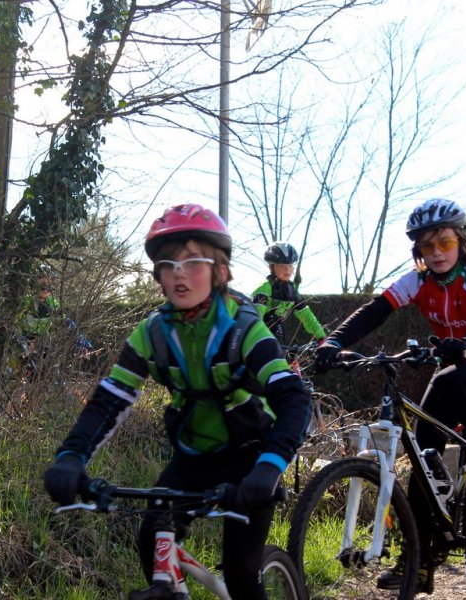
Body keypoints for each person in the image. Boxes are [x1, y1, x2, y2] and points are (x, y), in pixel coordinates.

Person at [44, 204, 311, 600]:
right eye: (168, 264)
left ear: (220, 270)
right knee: (152, 542)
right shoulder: (151, 334)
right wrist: (71, 457)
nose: (179, 272)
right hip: (192, 457)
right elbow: (109, 400)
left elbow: (293, 398)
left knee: (241, 571)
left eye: (193, 261)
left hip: (251, 456)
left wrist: (270, 467)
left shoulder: (244, 329)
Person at [314, 198, 466, 594]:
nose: (438, 252)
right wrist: (333, 342)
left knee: (447, 382)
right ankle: (420, 560)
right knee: (423, 459)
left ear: (461, 240)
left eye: (444, 243)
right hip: (457, 365)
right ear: (419, 251)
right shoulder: (418, 280)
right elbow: (375, 310)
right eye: (428, 246)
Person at [252, 241, 326, 345]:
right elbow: (255, 318)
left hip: (277, 335)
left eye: (290, 265)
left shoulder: (292, 290)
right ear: (271, 267)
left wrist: (321, 337)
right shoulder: (264, 288)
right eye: (282, 265)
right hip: (258, 337)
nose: (287, 270)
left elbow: (306, 315)